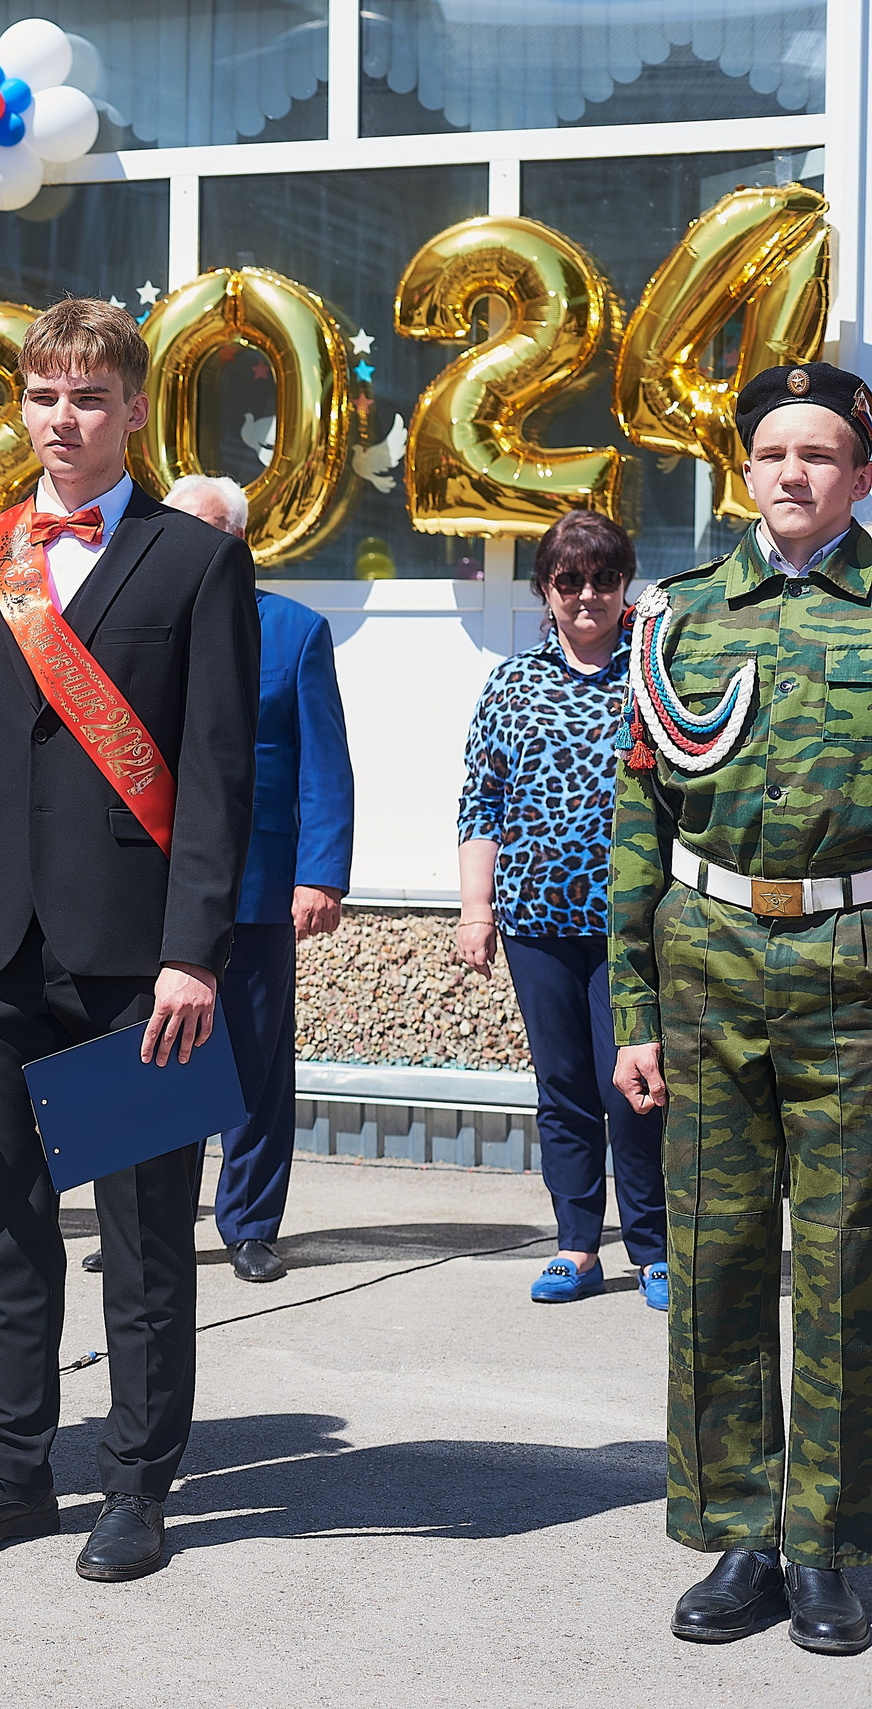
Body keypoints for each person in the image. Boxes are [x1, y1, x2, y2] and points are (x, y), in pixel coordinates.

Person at [0, 297, 258, 1579]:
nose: (62, 420)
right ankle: (12, 1467)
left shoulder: (193, 561)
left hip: (129, 955)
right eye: (42, 397)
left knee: (144, 1234)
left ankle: (138, 1482)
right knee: (5, 1219)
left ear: (136, 410)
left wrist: (194, 951)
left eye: (88, 398)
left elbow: (215, 778)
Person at [611, 361, 872, 1655]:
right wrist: (634, 1011)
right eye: (774, 452)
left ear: (860, 476)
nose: (793, 473)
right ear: (745, 468)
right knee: (714, 1262)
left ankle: (830, 1544)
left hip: (855, 974)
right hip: (711, 969)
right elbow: (639, 821)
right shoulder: (685, 619)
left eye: (820, 454)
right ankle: (739, 1534)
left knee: (844, 1268)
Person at [456, 507, 661, 1309]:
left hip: (630, 925)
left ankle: (651, 1247)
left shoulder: (653, 675)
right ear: (544, 587)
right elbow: (482, 801)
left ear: (624, 584)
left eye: (603, 579)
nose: (586, 595)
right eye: (568, 580)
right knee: (565, 1087)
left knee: (634, 1085)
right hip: (537, 920)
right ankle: (577, 1244)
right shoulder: (511, 683)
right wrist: (477, 909)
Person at [164, 473, 353, 1285]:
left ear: (238, 542)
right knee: (150, 1055)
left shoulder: (294, 630)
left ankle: (248, 1224)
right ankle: (155, 1222)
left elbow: (324, 762)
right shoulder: (134, 628)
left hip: (259, 882)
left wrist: (320, 873)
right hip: (150, 882)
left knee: (254, 1062)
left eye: (202, 532)